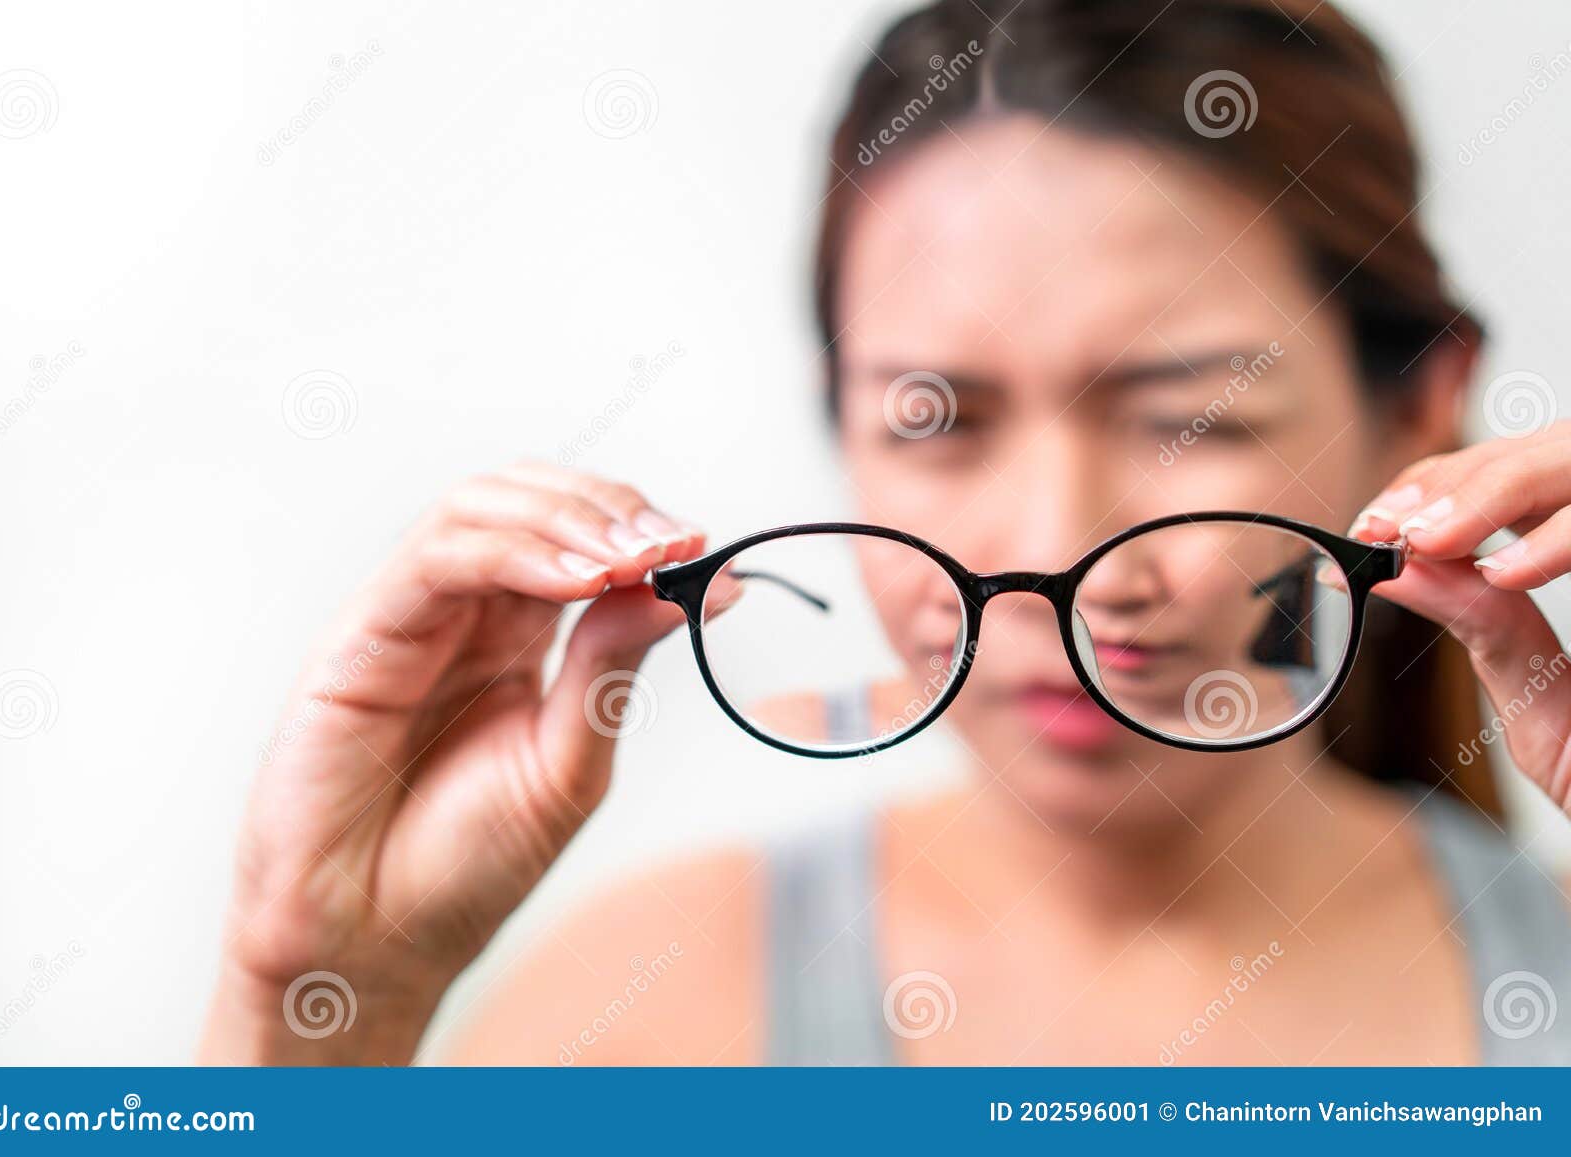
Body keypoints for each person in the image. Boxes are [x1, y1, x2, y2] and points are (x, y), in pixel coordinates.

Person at [199, 0, 1571, 1065]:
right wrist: (314, 1017)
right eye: (937, 421)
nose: (1051, 550)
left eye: (1187, 417)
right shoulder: (638, 1016)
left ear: (1421, 414)